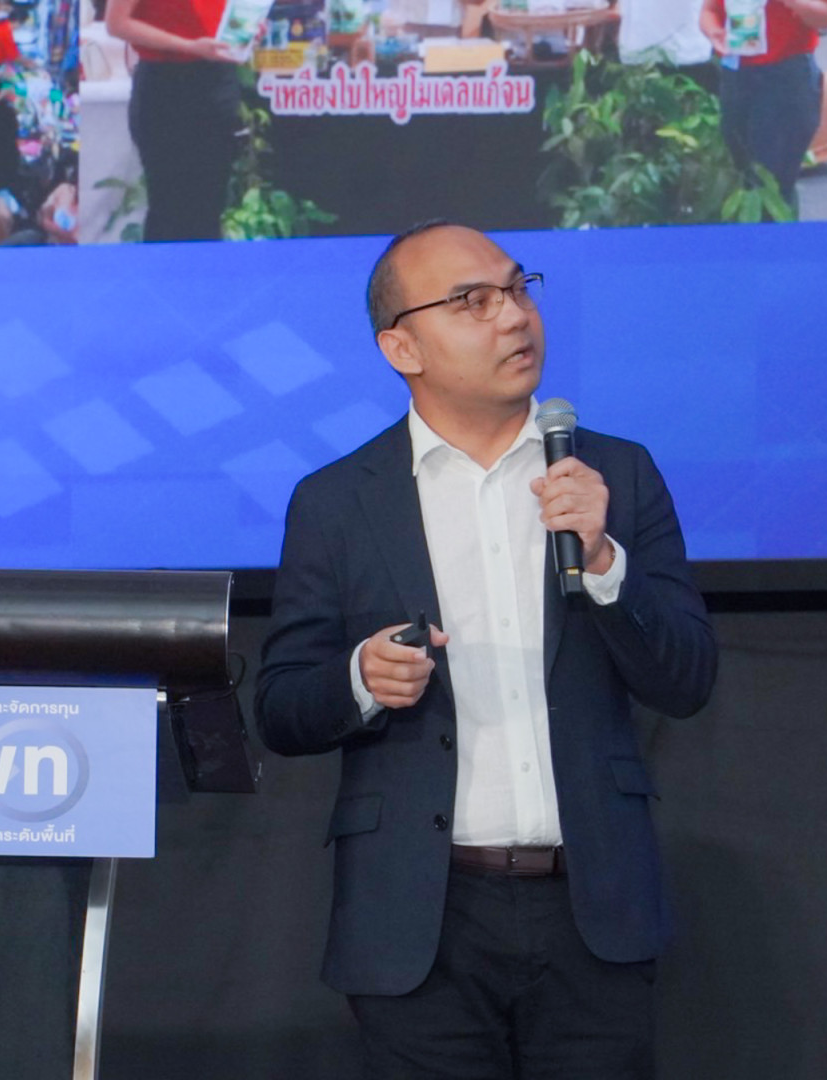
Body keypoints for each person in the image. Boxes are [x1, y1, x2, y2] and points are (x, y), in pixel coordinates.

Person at [255, 222, 717, 1080]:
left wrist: (605, 562)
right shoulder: (338, 501)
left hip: (592, 907)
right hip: (419, 917)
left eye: (517, 288)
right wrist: (360, 679)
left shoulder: (618, 475)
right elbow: (281, 707)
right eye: (472, 301)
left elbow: (687, 679)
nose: (513, 316)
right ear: (402, 348)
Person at [105, 0, 242, 241]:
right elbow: (116, 23)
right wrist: (189, 46)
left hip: (217, 80)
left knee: (210, 205)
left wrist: (244, 32)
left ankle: (207, 265)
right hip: (165, 86)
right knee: (169, 207)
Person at [699, 0, 827, 212]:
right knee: (741, 173)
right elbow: (710, 10)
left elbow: (824, 17)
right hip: (736, 75)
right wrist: (713, 31)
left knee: (773, 184)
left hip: (787, 76)